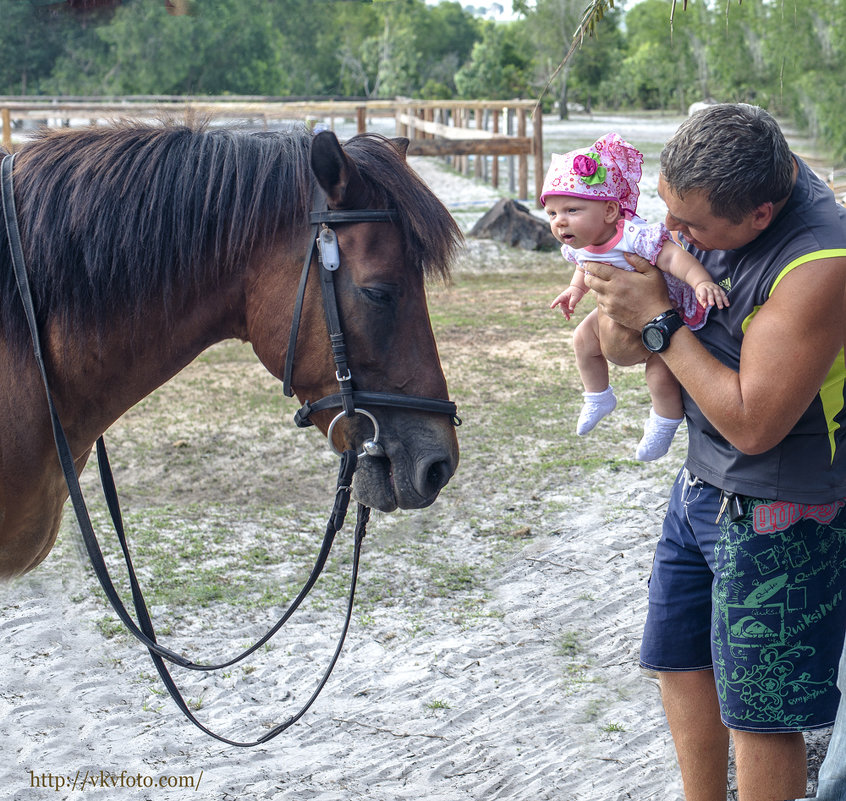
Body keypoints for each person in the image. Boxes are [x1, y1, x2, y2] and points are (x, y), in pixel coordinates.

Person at [582, 103, 846, 801]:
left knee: (762, 716)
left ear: (759, 216)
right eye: (668, 210)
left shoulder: (820, 262)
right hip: (700, 485)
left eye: (694, 228)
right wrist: (632, 311)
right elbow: (622, 342)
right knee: (680, 664)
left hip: (785, 510)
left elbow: (753, 423)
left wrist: (660, 321)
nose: (673, 234)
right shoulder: (698, 203)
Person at [541, 134, 729, 460]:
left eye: (572, 209)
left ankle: (664, 420)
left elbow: (672, 257)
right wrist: (575, 290)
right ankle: (598, 396)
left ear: (611, 210)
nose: (560, 221)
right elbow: (585, 266)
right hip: (617, 310)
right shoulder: (580, 243)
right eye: (553, 214)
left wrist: (700, 281)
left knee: (661, 370)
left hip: (662, 310)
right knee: (582, 340)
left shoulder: (634, 236)